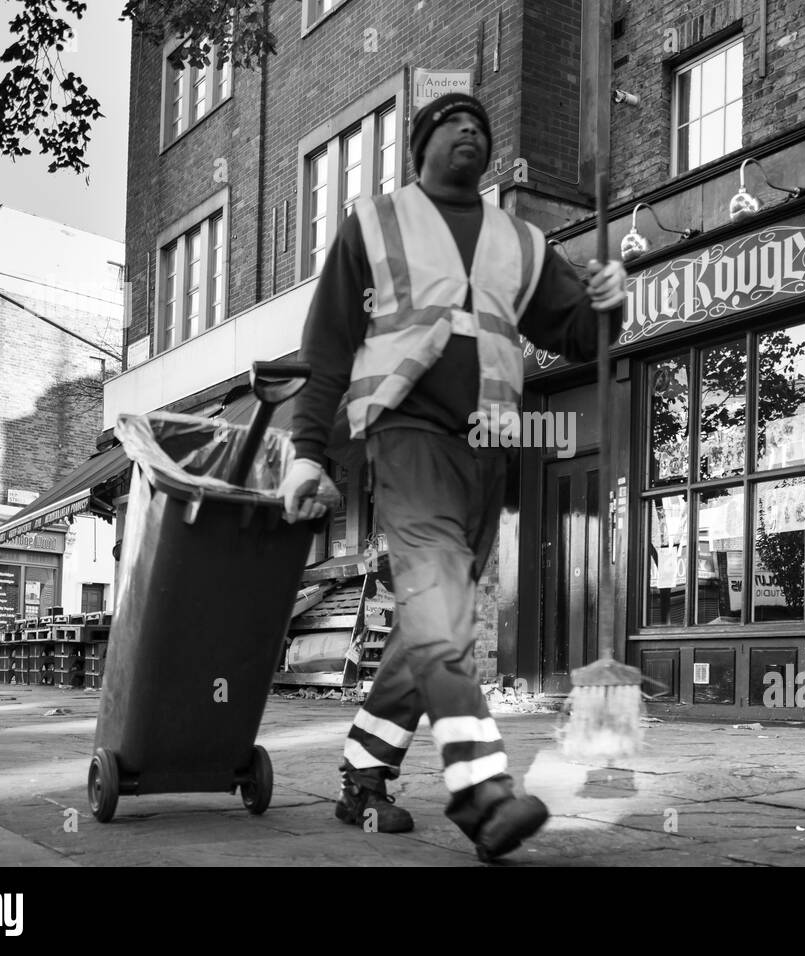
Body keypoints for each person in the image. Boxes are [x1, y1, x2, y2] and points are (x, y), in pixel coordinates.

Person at [280, 93, 626, 862]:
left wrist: (608, 304)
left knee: (426, 622)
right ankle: (481, 791)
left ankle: (363, 776)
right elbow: (329, 347)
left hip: (488, 448)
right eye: (452, 122)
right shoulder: (375, 224)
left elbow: (575, 335)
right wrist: (309, 450)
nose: (471, 130)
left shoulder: (521, 242)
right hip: (406, 435)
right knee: (443, 614)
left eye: (481, 126)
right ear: (422, 145)